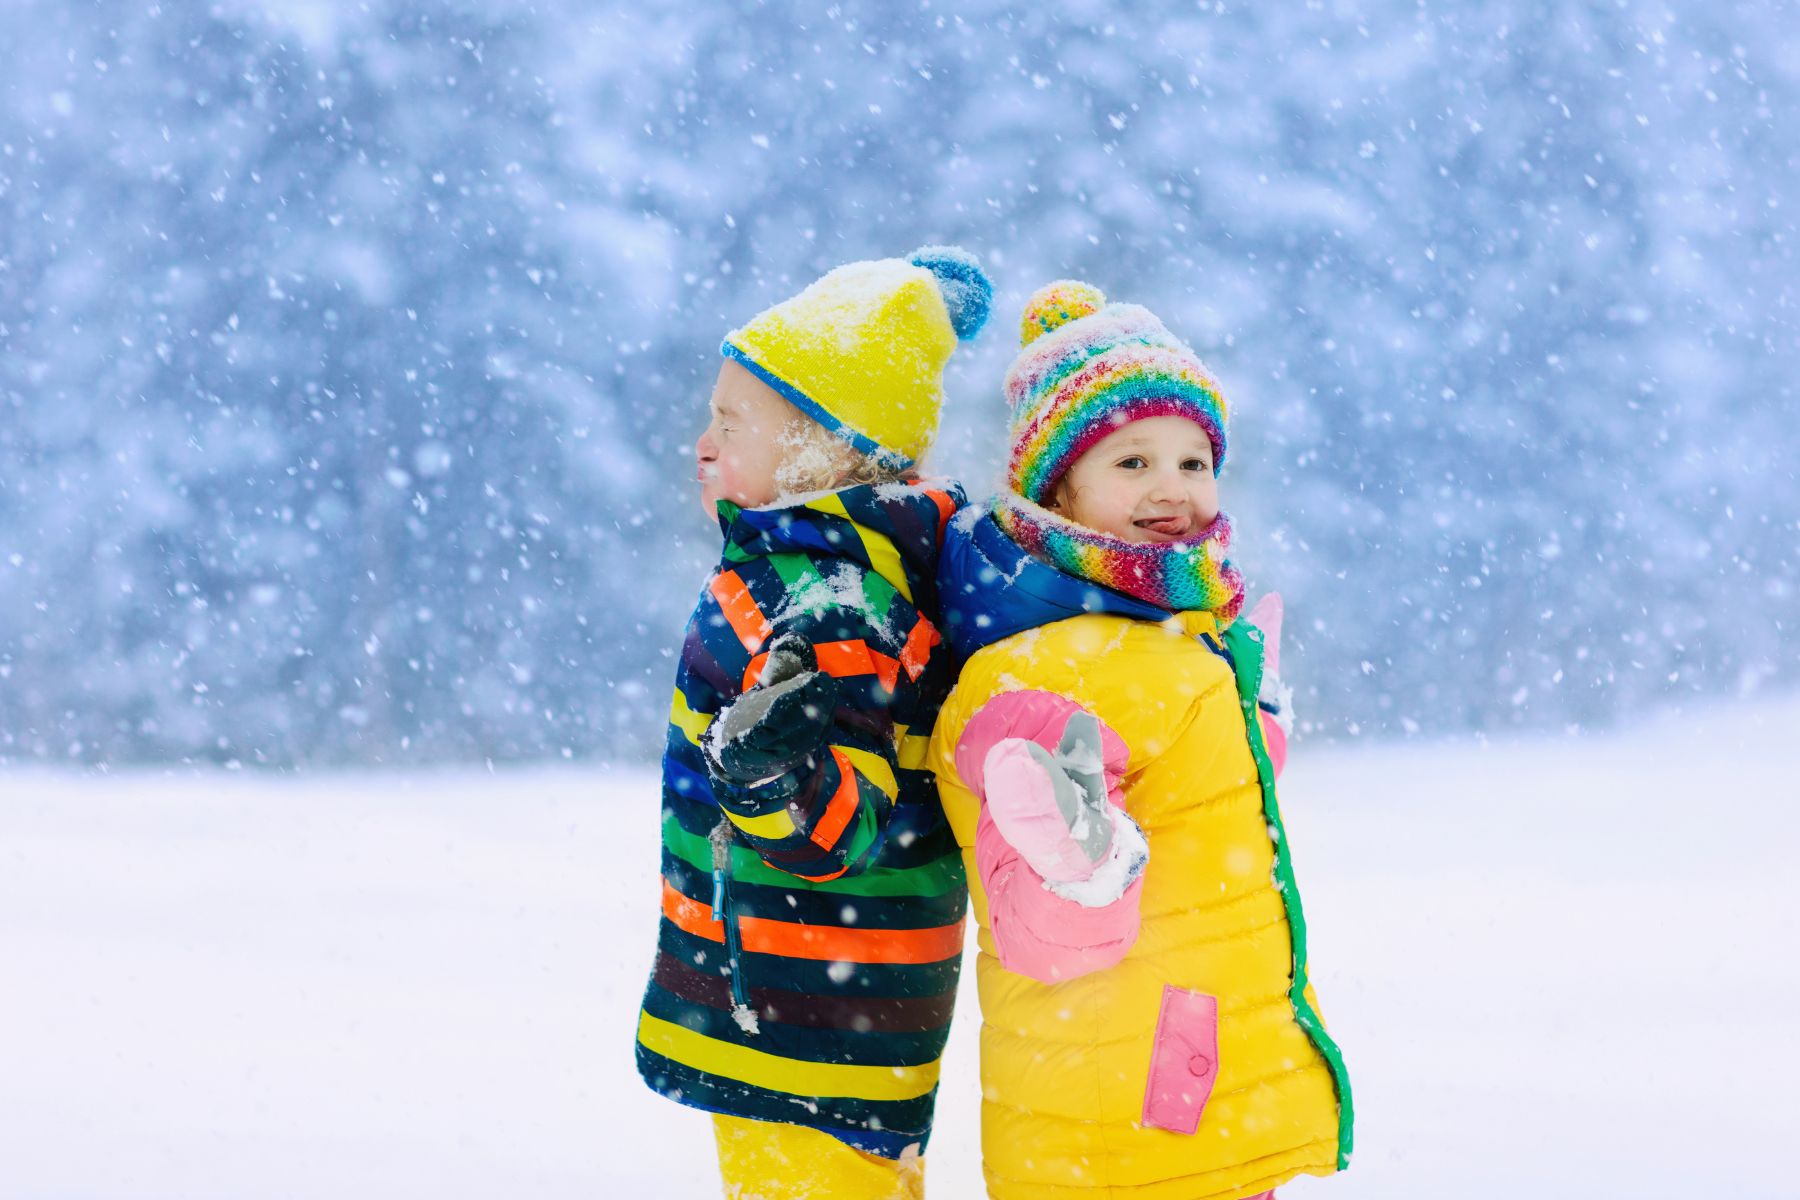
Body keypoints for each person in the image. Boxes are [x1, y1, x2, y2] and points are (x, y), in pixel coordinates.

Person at [927, 280, 1352, 1200]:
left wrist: (1253, 718)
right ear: (1058, 486)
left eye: (1195, 461)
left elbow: (1192, 800)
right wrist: (1077, 861)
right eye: (1132, 463)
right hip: (1129, 1119)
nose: (1174, 489)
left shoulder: (1172, 638)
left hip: (1203, 1091)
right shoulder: (1035, 666)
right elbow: (1043, 936)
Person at [636, 246, 992, 1200]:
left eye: (731, 422)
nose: (702, 444)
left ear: (825, 450)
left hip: (811, 1032)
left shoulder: (834, 604)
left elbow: (836, 832)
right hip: (817, 1016)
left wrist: (765, 772)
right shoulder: (820, 577)